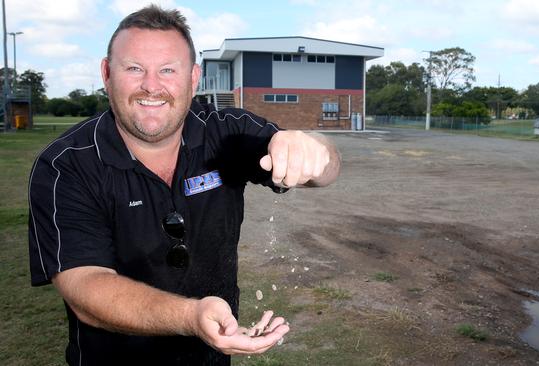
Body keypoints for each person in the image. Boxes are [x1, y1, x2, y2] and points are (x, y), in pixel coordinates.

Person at [28, 5, 339, 366]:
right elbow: (84, 286)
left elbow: (327, 171)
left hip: (211, 357)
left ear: (193, 78)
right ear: (106, 74)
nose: (151, 85)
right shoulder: (66, 165)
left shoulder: (225, 131)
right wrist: (191, 317)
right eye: (134, 68)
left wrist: (314, 150)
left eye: (168, 70)